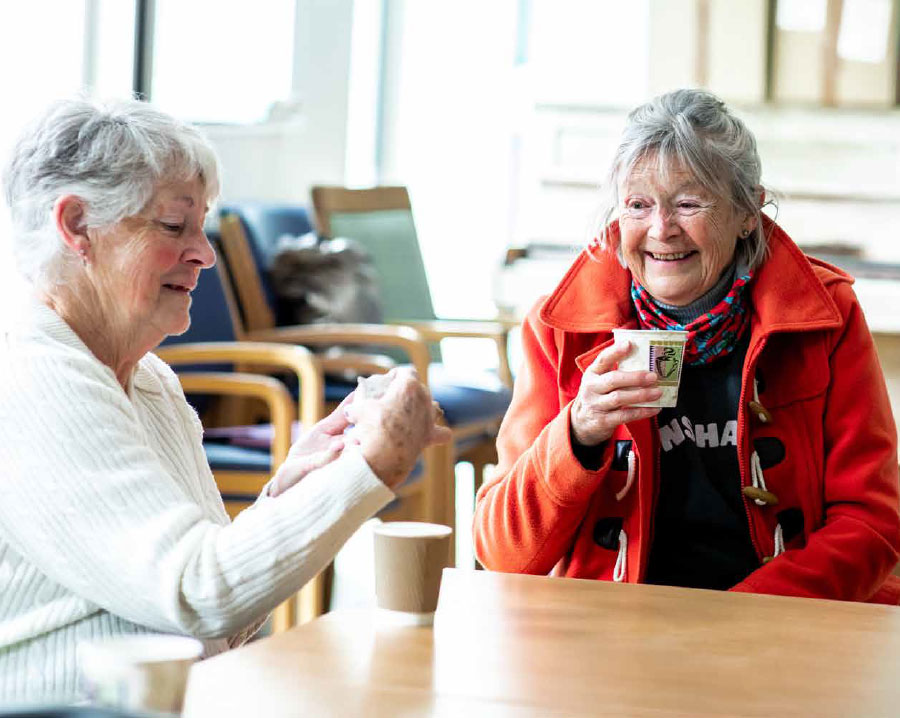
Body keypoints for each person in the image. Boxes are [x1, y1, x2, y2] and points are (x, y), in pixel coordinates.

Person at [0, 97, 450, 703]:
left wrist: (293, 488)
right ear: (77, 226)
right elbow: (198, 596)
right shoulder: (32, 376)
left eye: (202, 227)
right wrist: (372, 467)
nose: (204, 254)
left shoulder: (149, 381)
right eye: (173, 226)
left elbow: (221, 620)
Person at [474, 88, 900, 603]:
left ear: (749, 210)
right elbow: (502, 553)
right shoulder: (559, 329)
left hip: (781, 622)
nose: (661, 230)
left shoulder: (827, 318)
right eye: (637, 204)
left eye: (688, 203)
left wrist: (744, 615)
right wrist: (578, 434)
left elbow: (873, 522)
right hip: (616, 633)